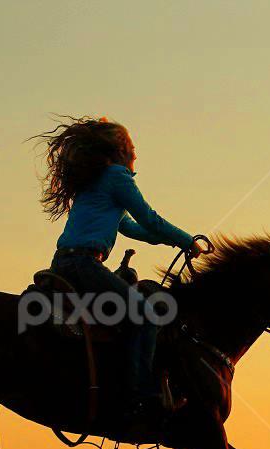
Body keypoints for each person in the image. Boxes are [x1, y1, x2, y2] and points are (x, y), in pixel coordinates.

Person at [33, 116, 205, 415]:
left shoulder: (95, 182)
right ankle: (140, 395)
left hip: (64, 262)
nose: (136, 154)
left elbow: (129, 227)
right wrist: (186, 240)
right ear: (122, 150)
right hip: (84, 264)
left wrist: (167, 240)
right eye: (132, 147)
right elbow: (149, 219)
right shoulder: (117, 177)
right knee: (147, 316)